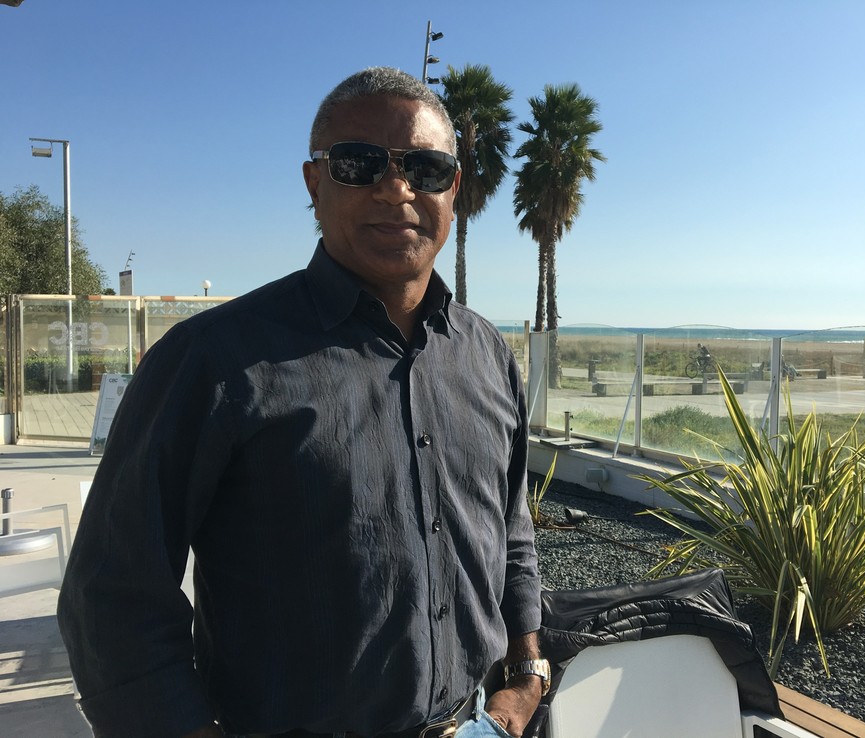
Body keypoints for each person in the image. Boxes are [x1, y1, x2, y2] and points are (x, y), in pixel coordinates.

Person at [57, 67, 545, 738]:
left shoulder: (486, 354)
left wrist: (526, 676)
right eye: (359, 163)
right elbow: (112, 596)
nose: (396, 188)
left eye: (425, 168)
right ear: (315, 183)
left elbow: (511, 532)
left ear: (453, 189)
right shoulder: (213, 362)